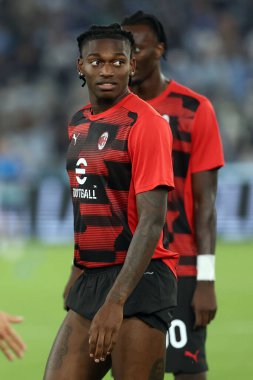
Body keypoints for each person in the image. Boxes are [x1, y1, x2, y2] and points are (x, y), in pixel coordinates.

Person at [44, 23, 178, 380]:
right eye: (96, 61)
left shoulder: (146, 124)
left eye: (118, 61)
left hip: (139, 280)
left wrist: (116, 301)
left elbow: (152, 222)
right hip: (92, 276)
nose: (107, 70)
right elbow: (88, 204)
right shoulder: (77, 124)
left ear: (132, 66)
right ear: (80, 67)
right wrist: (77, 270)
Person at [121, 11, 224, 380]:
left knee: (187, 373)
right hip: (121, 267)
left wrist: (206, 280)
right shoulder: (113, 113)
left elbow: (206, 205)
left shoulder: (195, 110)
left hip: (178, 267)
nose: (129, 58)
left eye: (138, 48)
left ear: (159, 50)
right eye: (123, 50)